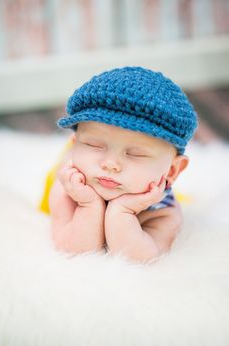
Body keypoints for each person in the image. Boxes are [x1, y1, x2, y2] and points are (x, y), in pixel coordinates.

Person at [48, 66, 197, 263]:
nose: (110, 164)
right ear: (75, 145)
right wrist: (88, 205)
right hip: (81, 179)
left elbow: (140, 261)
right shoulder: (68, 188)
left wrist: (122, 212)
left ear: (172, 170)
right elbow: (73, 252)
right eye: (93, 144)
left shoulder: (163, 210)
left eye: (135, 154)